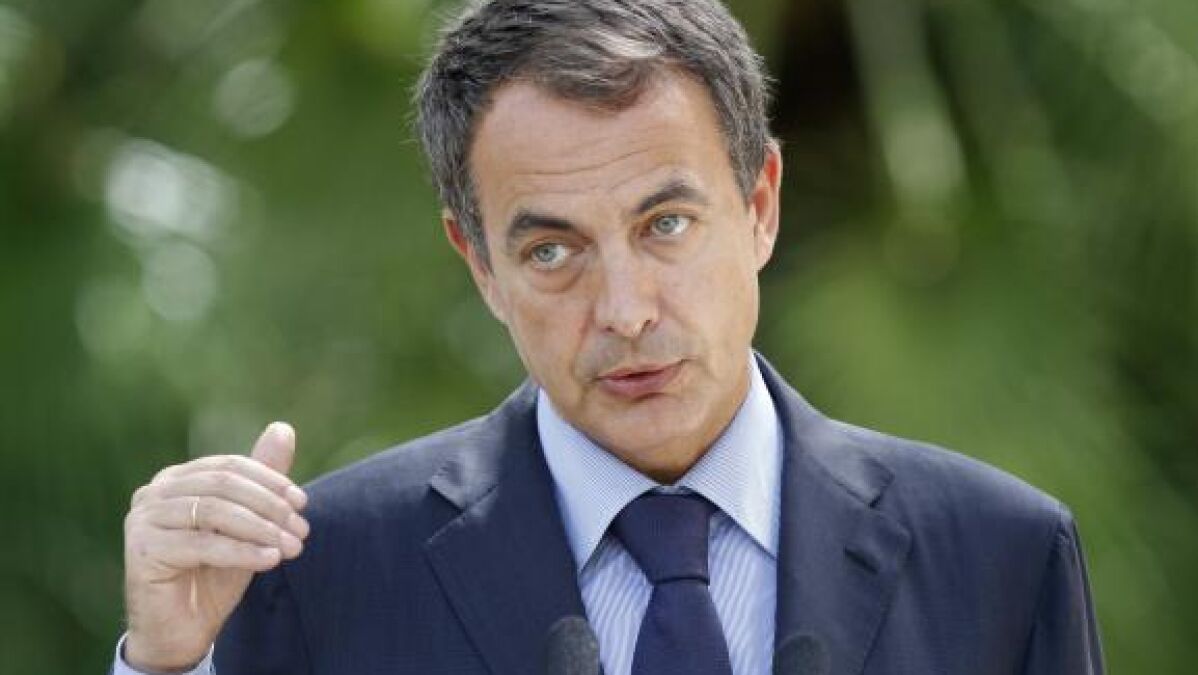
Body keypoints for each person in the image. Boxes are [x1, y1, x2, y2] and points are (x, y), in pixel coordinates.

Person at [112, 0, 1105, 673]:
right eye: (552, 251)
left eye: (664, 225)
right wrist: (165, 665)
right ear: (480, 265)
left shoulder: (1000, 558)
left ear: (760, 205)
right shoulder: (322, 572)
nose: (625, 310)